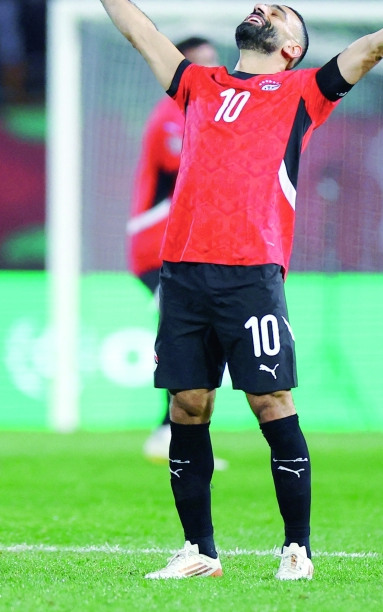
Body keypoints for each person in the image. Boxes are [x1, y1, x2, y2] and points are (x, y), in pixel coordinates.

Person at [80, 0, 383, 579]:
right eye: (263, 7)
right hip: (182, 270)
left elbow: (376, 46)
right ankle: (199, 551)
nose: (264, 10)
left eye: (279, 14)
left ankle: (297, 548)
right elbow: (143, 36)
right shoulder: (198, 83)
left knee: (271, 403)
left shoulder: (303, 91)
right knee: (187, 406)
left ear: (291, 48)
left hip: (251, 272)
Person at [130, 36, 227, 471]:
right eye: (200, 64)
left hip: (185, 243)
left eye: (214, 63)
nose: (212, 72)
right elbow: (186, 165)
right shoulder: (172, 115)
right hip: (158, 244)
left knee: (191, 333)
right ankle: (170, 434)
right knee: (185, 335)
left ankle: (168, 432)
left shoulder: (203, 112)